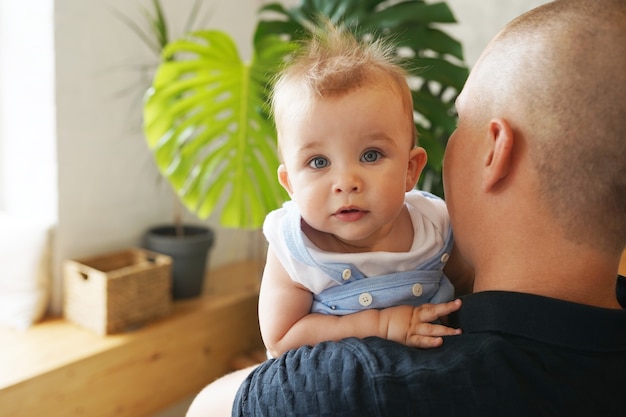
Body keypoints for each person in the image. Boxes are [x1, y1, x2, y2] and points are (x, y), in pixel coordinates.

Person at [187, 0, 626, 415]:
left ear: (495, 151)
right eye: (318, 162)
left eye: (459, 122)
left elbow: (204, 409)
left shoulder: (357, 389)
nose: (346, 182)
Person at [260, 22, 473, 359]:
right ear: (290, 185)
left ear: (409, 170)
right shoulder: (297, 250)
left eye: (370, 155)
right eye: (318, 162)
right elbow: (281, 338)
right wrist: (381, 324)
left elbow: (470, 288)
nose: (346, 182)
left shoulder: (435, 226)